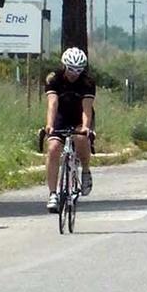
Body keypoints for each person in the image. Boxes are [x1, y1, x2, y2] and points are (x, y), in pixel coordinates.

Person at [44, 47, 95, 213]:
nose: (75, 74)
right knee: (53, 149)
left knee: (81, 138)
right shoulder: (54, 78)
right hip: (60, 116)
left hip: (79, 116)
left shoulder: (87, 82)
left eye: (79, 70)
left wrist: (86, 127)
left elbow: (86, 108)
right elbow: (52, 104)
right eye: (71, 69)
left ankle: (85, 170)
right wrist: (50, 125)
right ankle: (53, 194)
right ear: (64, 66)